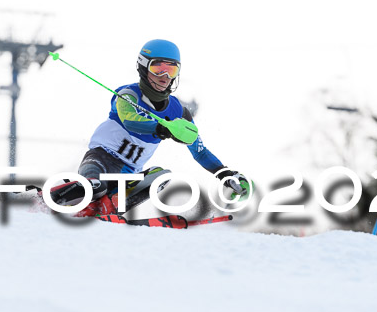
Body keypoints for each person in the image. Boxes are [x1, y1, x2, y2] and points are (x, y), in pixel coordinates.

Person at [51, 39, 249, 211]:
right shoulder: (128, 95)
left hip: (129, 173)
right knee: (96, 186)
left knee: (162, 177)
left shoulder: (179, 112)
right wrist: (162, 129)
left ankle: (110, 206)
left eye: (171, 69)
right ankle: (58, 199)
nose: (165, 76)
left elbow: (200, 152)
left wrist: (224, 174)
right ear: (144, 68)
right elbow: (130, 121)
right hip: (101, 159)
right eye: (158, 68)